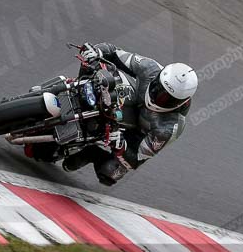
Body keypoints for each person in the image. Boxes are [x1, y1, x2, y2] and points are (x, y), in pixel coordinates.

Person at [61, 42, 198, 186]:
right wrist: (97, 51)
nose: (157, 95)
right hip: (131, 97)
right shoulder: (149, 68)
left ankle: (91, 153)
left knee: (110, 173)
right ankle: (75, 89)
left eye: (166, 99)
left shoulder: (170, 128)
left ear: (180, 103)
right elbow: (114, 52)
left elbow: (136, 160)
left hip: (134, 133)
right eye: (158, 87)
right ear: (159, 77)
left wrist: (120, 145)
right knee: (94, 66)